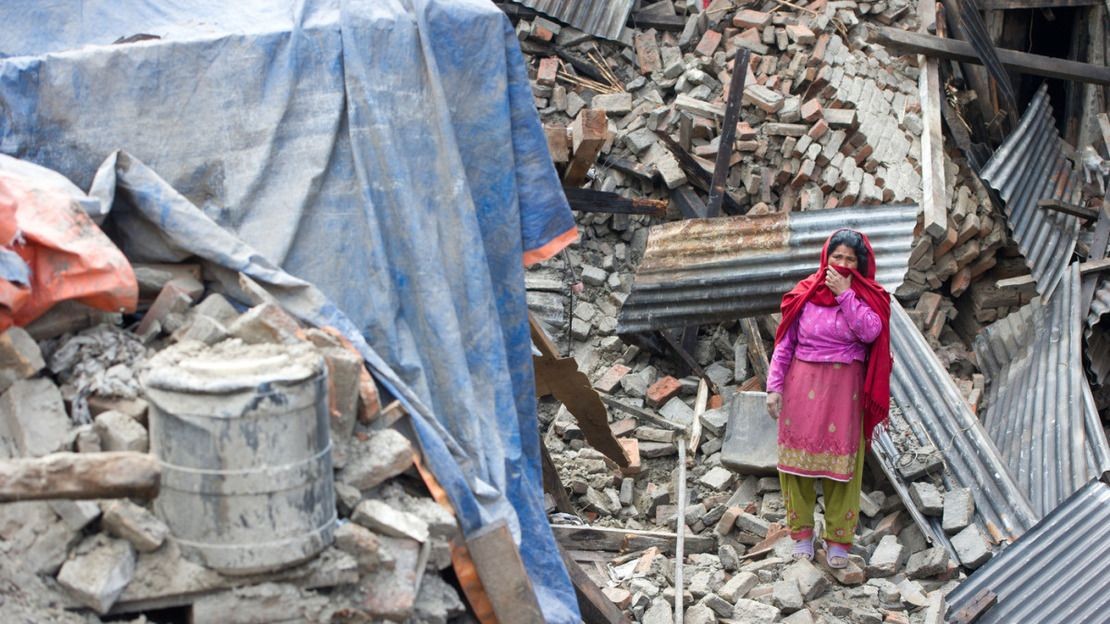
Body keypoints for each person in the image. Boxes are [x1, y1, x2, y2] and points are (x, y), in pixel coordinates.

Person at [764, 229, 892, 568]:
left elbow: (870, 332)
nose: (843, 264)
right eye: (837, 258)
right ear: (826, 258)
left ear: (860, 265)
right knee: (798, 466)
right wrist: (773, 387)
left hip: (843, 392)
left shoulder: (866, 296)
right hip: (801, 386)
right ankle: (802, 535)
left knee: (841, 468)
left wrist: (846, 295)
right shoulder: (804, 294)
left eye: (851, 259)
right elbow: (785, 344)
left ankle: (839, 539)